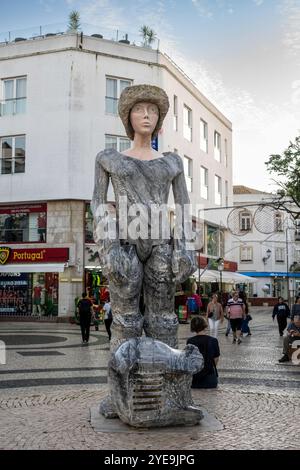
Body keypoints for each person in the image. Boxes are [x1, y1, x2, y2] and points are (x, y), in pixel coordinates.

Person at [91, 84, 196, 350]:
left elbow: (184, 204)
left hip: (160, 244)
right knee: (125, 318)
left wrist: (185, 248)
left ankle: (164, 378)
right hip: (125, 243)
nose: (147, 115)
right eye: (139, 110)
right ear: (128, 117)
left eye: (152, 110)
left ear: (160, 119)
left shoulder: (172, 162)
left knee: (163, 318)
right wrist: (109, 247)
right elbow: (98, 201)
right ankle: (122, 387)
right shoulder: (109, 159)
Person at [186, 316, 220, 388]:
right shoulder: (213, 340)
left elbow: (189, 359)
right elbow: (216, 359)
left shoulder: (190, 341)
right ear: (205, 325)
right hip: (210, 380)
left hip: (194, 380)